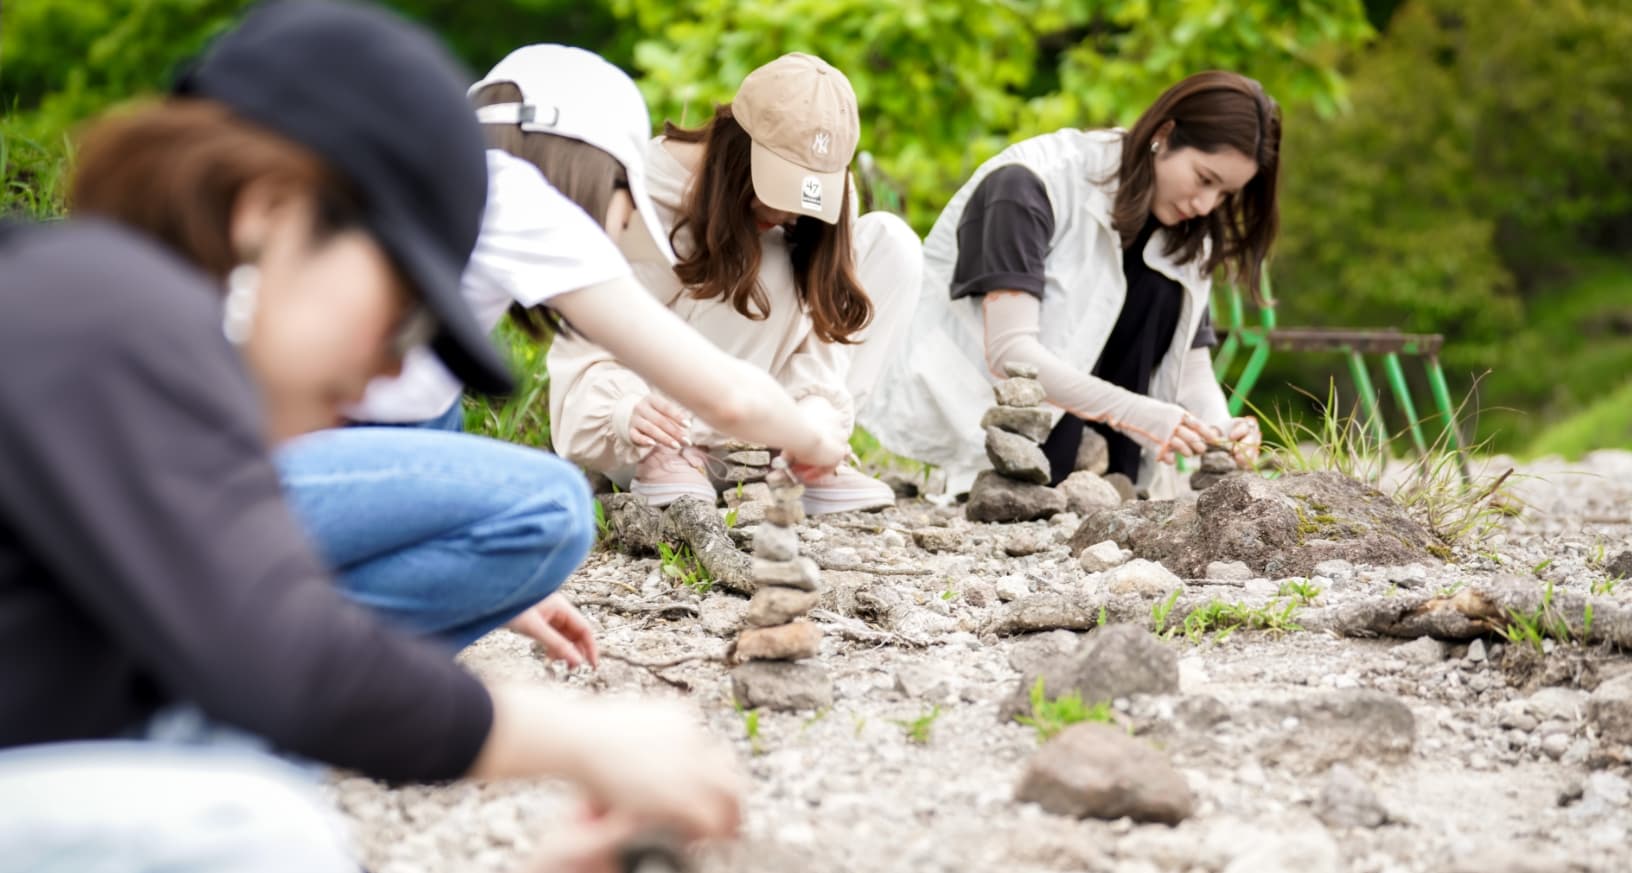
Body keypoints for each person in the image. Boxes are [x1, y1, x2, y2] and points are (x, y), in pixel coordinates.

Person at [0, 6, 740, 873]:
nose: (383, 377)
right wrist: (580, 738)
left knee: (225, 784)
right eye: (399, 315)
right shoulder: (94, 302)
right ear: (270, 211)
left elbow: (205, 843)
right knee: (257, 838)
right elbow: (276, 657)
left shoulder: (102, 366)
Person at [282, 44, 849, 661]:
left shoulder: (431, 181)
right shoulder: (516, 198)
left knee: (438, 425)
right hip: (248, 476)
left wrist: (498, 592)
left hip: (261, 460)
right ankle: (293, 641)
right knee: (555, 503)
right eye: (625, 195)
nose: (627, 215)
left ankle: (304, 630)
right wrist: (815, 439)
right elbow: (727, 395)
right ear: (591, 168)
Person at [862, 70, 1281, 497]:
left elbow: (1191, 365)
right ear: (1164, 133)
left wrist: (1223, 431)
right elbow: (1011, 353)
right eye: (1204, 179)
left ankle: (1114, 479)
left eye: (1226, 194)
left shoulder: (1191, 229)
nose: (1206, 204)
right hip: (985, 414)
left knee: (1162, 288)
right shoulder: (1030, 182)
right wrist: (1142, 414)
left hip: (1105, 432)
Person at [548, 52, 924, 513]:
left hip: (765, 419)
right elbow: (585, 344)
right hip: (651, 426)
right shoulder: (642, 193)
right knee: (760, 256)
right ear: (735, 147)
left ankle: (801, 457)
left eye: (808, 192)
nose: (790, 213)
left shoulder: (815, 208)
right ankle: (678, 453)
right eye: (779, 188)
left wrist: (815, 419)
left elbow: (825, 330)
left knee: (892, 243)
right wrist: (623, 410)